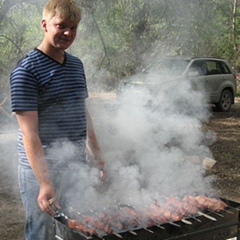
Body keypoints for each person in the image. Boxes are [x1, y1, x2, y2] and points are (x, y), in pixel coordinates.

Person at [10, 0, 106, 239]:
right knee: (40, 232)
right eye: (61, 25)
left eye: (73, 28)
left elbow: (83, 114)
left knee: (75, 229)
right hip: (40, 171)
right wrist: (45, 183)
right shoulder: (26, 71)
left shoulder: (76, 65)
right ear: (45, 24)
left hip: (75, 165)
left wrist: (98, 157)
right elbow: (29, 133)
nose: (68, 33)